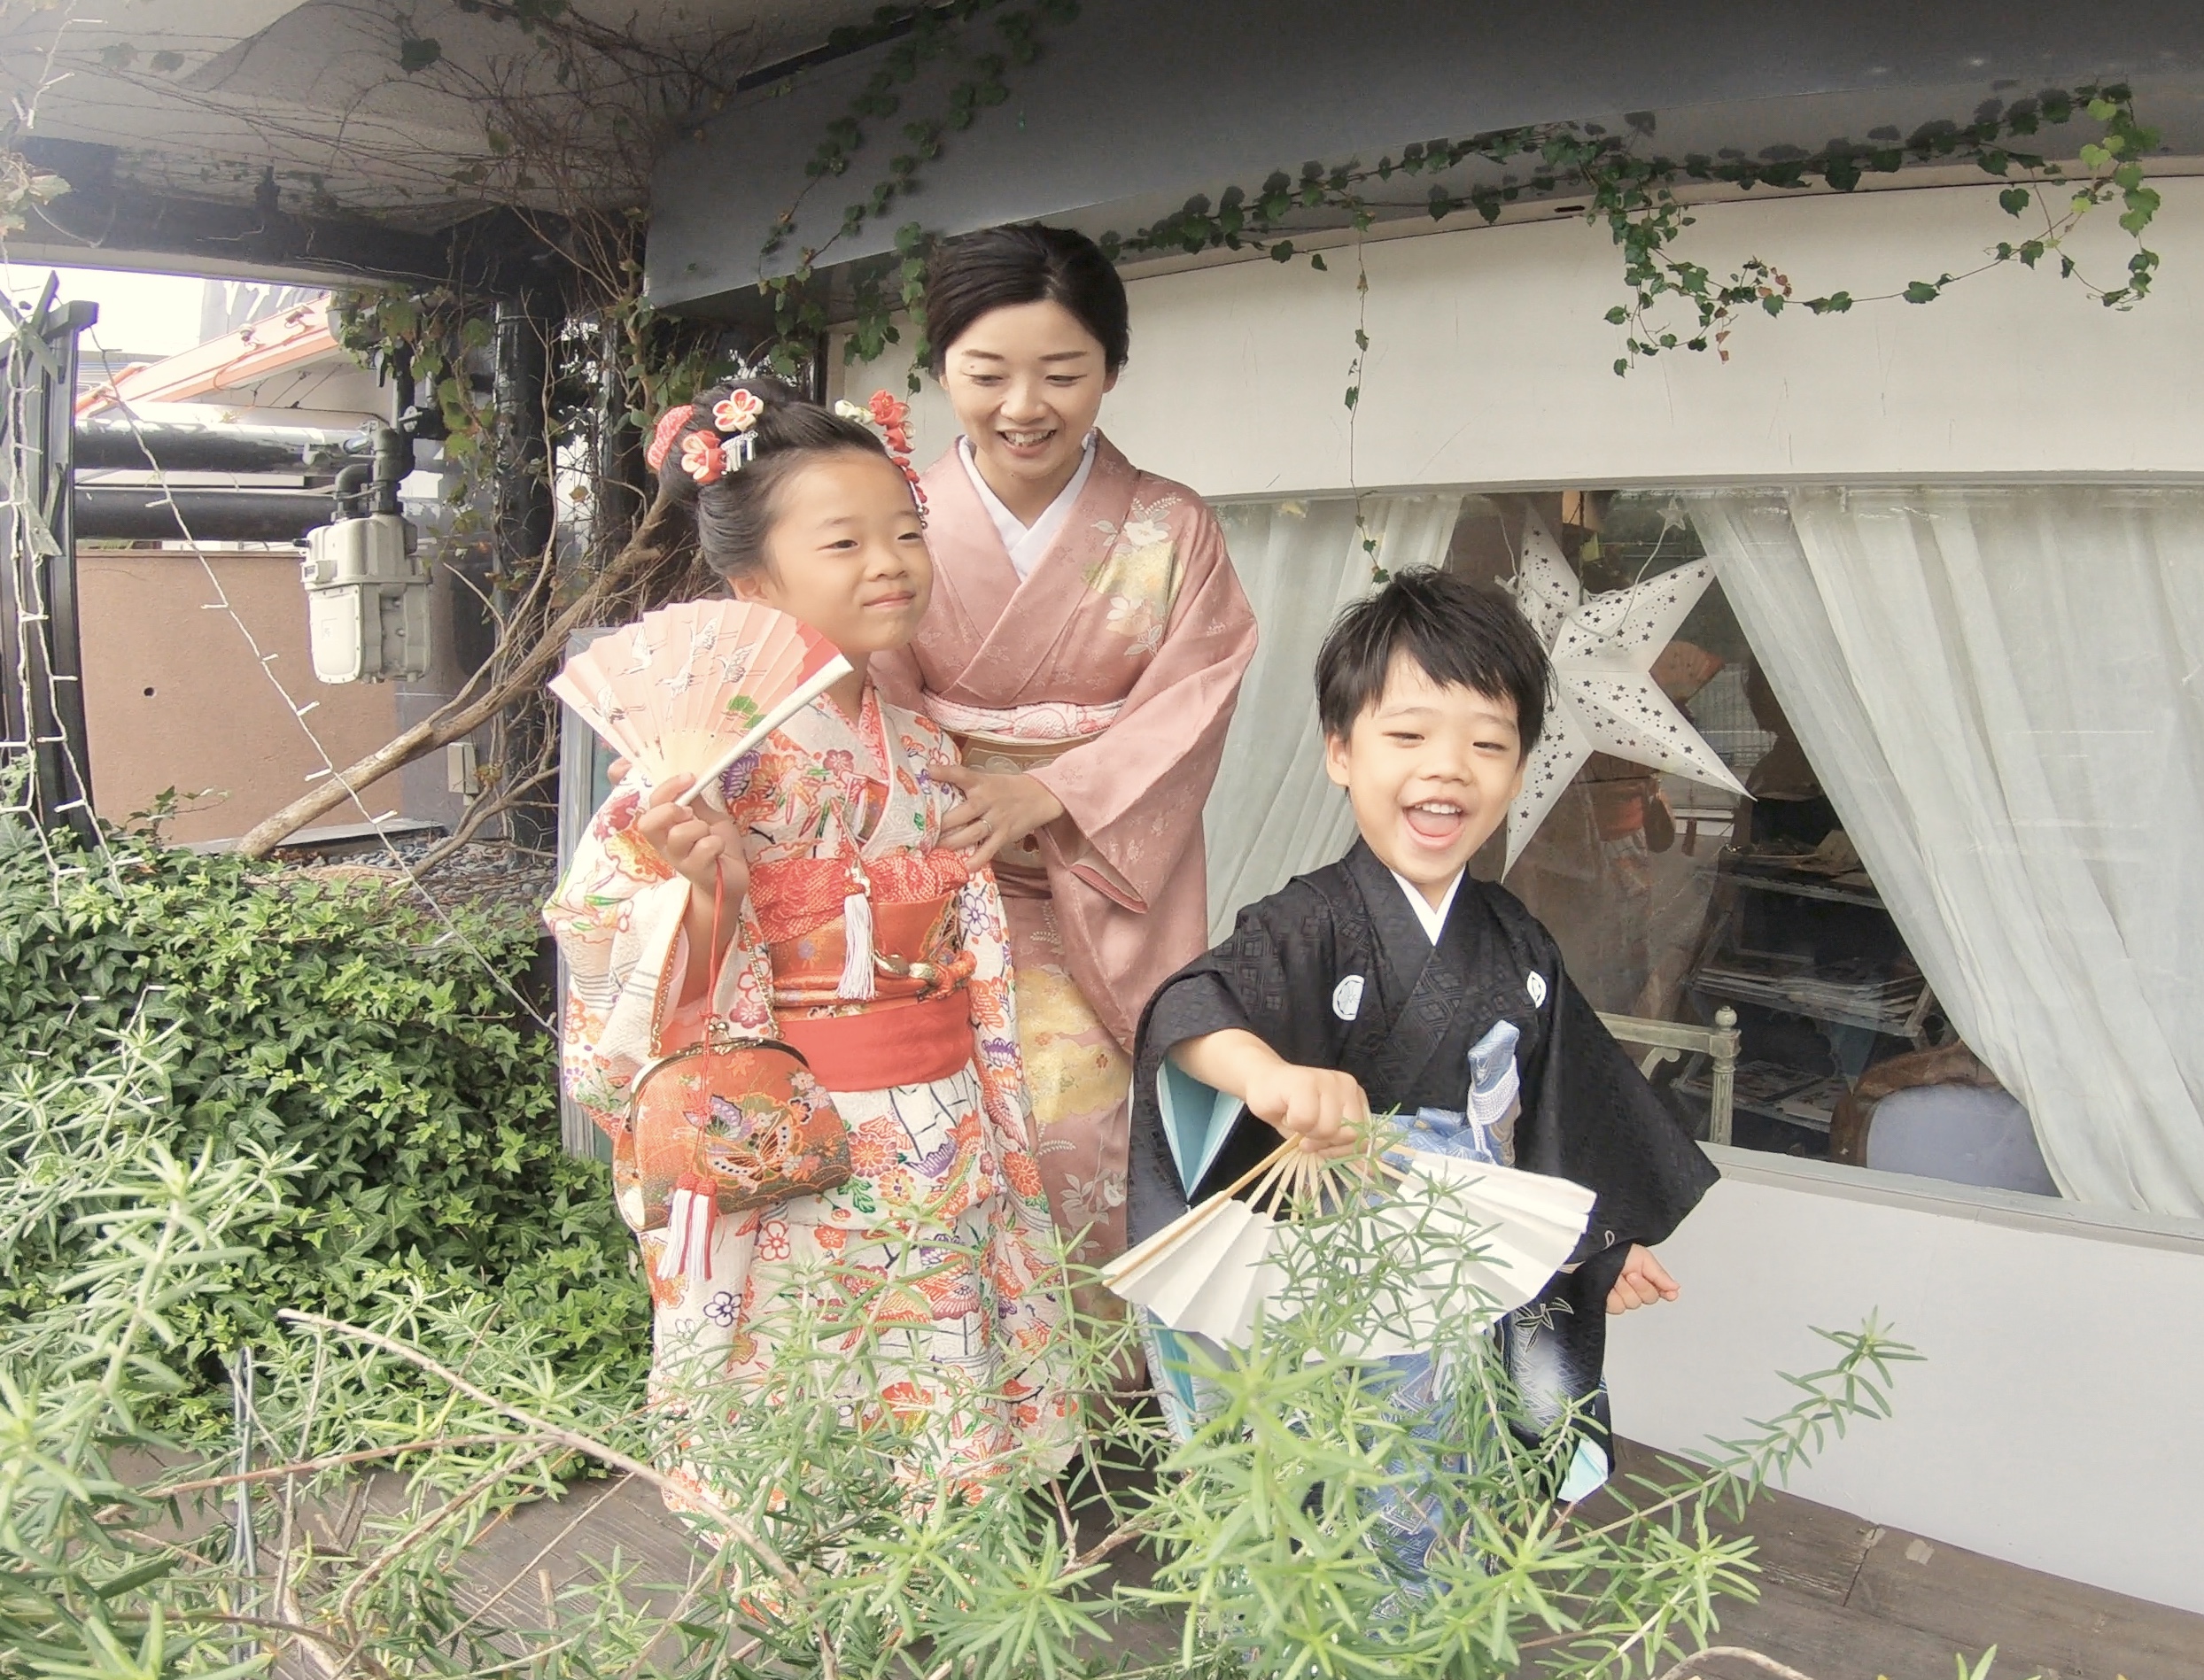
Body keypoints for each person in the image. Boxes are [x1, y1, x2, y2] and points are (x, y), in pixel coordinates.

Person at [546, 375, 1075, 1507]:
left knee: (945, 1406)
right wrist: (701, 895)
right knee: (816, 1405)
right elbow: (601, 924)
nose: (891, 561)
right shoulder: (709, 757)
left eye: (906, 532)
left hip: (943, 1120)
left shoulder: (923, 745)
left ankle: (935, 1620)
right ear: (752, 581)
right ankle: (832, 1645)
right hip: (803, 1138)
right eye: (844, 542)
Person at [1124, 569, 1717, 1506]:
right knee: (1327, 1491)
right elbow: (1190, 1014)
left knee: (1452, 1479)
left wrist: (1595, 1245)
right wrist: (1269, 1077)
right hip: (1328, 1263)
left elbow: (1564, 1114)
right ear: (1339, 752)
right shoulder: (1307, 922)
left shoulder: (1517, 942)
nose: (1447, 768)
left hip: (1463, 1269)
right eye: (1406, 736)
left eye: (1488, 744)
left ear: (1519, 771)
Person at [869, 223, 1257, 1289]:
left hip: (1098, 876)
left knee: (1078, 1118)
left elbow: (1195, 693)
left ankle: (1083, 1401)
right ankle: (949, 1392)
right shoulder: (893, 519)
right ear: (942, 367)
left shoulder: (1169, 526)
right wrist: (941, 808)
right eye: (986, 374)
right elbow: (864, 680)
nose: (1022, 406)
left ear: (1112, 372)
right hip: (932, 870)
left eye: (1063, 373)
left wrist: (1047, 788)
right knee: (916, 1121)